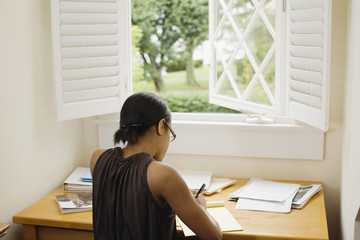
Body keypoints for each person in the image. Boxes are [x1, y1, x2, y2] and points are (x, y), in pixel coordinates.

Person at [90, 92, 222, 240]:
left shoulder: (97, 158)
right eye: (170, 133)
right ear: (161, 126)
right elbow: (214, 235)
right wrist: (201, 207)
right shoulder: (163, 174)